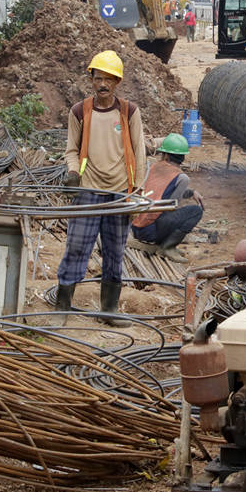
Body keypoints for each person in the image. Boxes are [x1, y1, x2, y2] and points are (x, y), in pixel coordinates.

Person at [58, 50, 148, 326]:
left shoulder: (129, 112)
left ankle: (109, 309)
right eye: (98, 78)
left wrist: (138, 190)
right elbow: (71, 150)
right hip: (88, 190)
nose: (103, 84)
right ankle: (62, 306)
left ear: (118, 82)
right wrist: (73, 172)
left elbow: (140, 151)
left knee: (114, 251)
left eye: (109, 79)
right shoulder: (79, 111)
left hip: (120, 192)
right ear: (91, 80)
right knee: (76, 247)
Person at [131, 134, 203, 263]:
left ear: (166, 155)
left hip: (137, 226)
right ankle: (168, 247)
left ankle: (166, 244)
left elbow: (162, 191)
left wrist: (191, 192)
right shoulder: (182, 178)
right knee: (195, 211)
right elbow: (172, 206)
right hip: (150, 232)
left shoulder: (153, 166)